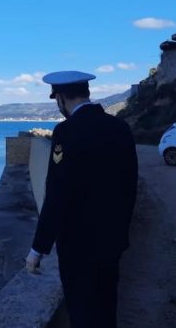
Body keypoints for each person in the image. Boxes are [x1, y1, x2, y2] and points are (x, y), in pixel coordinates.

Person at [25, 71, 138, 328]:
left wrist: (38, 249)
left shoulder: (67, 131)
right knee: (107, 309)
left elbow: (57, 195)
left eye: (57, 100)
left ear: (61, 98)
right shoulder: (120, 128)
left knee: (82, 312)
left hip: (79, 245)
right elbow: (130, 186)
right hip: (113, 240)